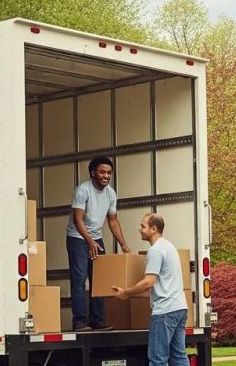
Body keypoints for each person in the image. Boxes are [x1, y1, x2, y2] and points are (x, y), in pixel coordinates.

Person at [113, 214, 188, 366]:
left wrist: (126, 293)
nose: (140, 230)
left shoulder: (156, 250)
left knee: (158, 360)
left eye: (143, 226)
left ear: (154, 229)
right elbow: (159, 283)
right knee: (179, 356)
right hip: (180, 308)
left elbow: (149, 281)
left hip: (164, 312)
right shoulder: (169, 247)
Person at [66, 156, 130, 331]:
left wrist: (123, 244)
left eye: (109, 173)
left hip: (96, 239)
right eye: (102, 172)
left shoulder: (111, 193)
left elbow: (113, 221)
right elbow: (78, 220)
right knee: (79, 279)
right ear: (93, 173)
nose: (106, 176)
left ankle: (97, 321)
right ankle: (79, 322)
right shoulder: (83, 190)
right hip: (78, 238)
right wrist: (89, 241)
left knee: (99, 280)